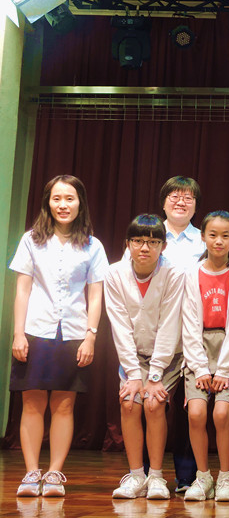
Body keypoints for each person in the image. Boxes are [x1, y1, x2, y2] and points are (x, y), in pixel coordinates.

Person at [11, 175, 108, 497]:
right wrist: (18, 334)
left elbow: (96, 295)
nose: (63, 205)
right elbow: (22, 290)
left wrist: (90, 337)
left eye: (69, 198)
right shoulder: (31, 240)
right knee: (32, 403)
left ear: (80, 203)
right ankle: (31, 473)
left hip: (74, 333)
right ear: (47, 202)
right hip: (35, 330)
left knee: (64, 405)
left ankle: (54, 473)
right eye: (56, 198)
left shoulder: (93, 245)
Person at [106, 215, 184, 500]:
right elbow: (119, 325)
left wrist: (155, 375)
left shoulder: (174, 273)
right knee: (129, 403)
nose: (144, 248)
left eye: (152, 242)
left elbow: (170, 324)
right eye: (138, 241)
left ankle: (156, 476)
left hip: (168, 355)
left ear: (163, 246)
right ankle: (136, 475)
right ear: (128, 243)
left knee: (153, 403)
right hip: (133, 355)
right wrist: (133, 373)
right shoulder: (114, 273)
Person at [181, 211, 229, 502]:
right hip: (198, 349)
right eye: (213, 235)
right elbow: (189, 323)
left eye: (225, 235)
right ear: (203, 237)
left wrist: (223, 369)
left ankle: (225, 476)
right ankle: (202, 476)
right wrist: (199, 367)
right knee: (197, 413)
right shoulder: (191, 273)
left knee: (221, 414)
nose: (218, 241)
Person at [157, 176, 205, 493]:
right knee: (153, 404)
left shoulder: (204, 241)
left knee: (192, 407)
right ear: (163, 202)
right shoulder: (148, 235)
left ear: (195, 206)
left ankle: (187, 477)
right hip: (156, 334)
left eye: (188, 197)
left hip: (195, 334)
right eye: (174, 196)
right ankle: (148, 473)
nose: (181, 202)